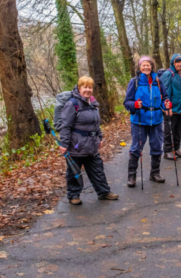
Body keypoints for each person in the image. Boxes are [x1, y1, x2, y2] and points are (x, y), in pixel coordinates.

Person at [59, 76, 119, 205]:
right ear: (79, 88)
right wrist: (64, 143)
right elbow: (66, 126)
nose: (87, 90)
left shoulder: (93, 103)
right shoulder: (72, 104)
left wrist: (100, 138)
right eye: (85, 87)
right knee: (74, 171)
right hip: (76, 145)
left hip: (92, 144)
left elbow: (96, 124)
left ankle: (103, 192)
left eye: (90, 87)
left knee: (97, 169)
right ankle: (73, 195)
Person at [124, 56, 172, 187]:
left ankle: (154, 173)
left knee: (157, 146)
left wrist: (166, 103)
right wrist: (135, 105)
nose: (146, 67)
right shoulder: (134, 82)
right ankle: (132, 176)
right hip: (139, 121)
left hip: (156, 120)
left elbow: (165, 97)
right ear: (139, 67)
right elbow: (127, 102)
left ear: (152, 66)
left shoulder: (158, 80)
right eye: (143, 65)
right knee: (136, 148)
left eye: (148, 65)